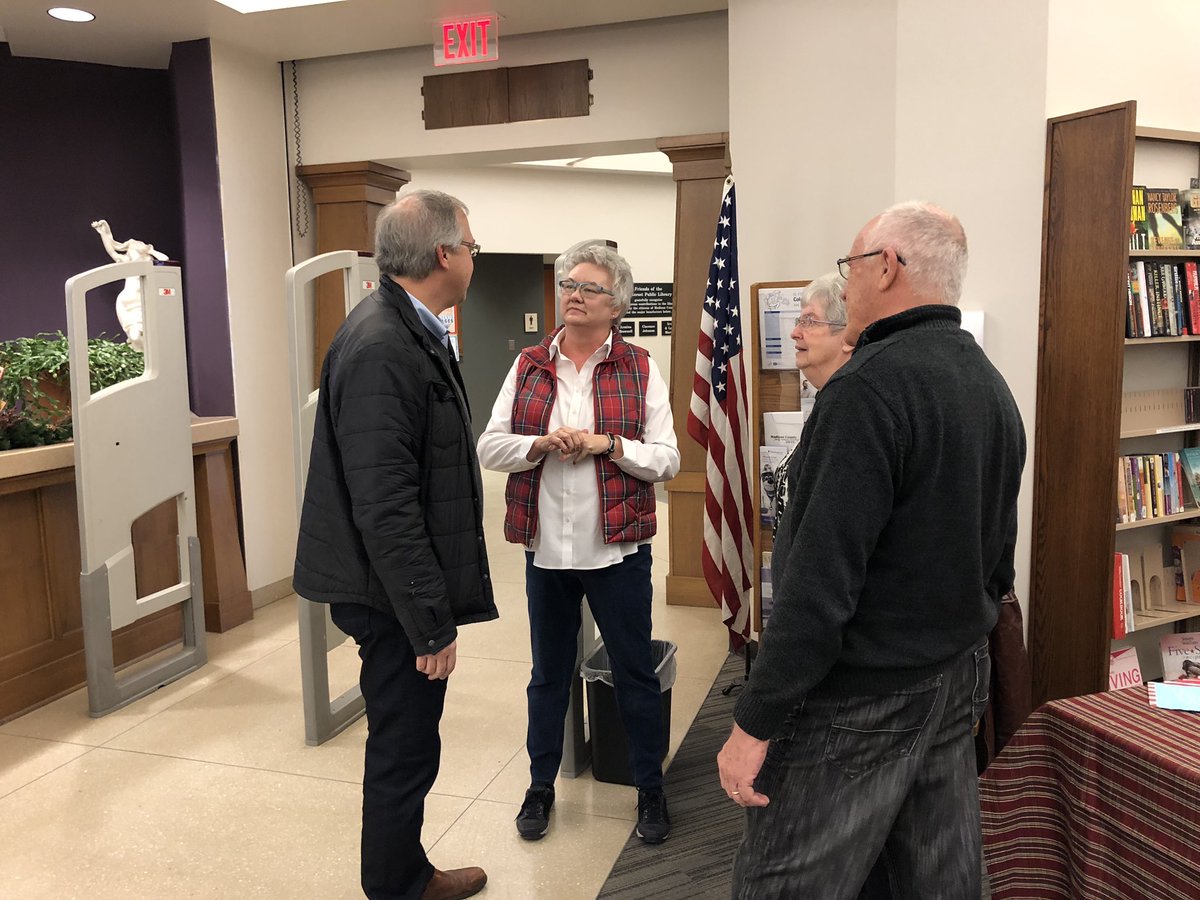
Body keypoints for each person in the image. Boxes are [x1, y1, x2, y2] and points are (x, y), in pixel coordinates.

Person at [718, 202, 1026, 899]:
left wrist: (754, 722)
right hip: (953, 678)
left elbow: (817, 589)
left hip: (861, 700)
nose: (846, 283)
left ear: (886, 267)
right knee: (933, 879)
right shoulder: (987, 382)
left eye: (850, 267)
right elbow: (997, 557)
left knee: (785, 884)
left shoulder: (865, 391)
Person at [294, 188, 496, 900]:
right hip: (388, 595)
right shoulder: (383, 345)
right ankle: (396, 888)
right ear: (444, 254)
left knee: (409, 744)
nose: (474, 255)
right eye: (471, 245)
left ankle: (406, 873)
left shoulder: (409, 327)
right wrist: (429, 622)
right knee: (403, 751)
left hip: (390, 587)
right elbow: (385, 508)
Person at [477, 243, 680, 845]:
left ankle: (650, 789)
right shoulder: (530, 365)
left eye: (588, 287)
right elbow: (490, 446)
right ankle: (541, 786)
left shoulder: (641, 367)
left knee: (634, 673)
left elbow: (667, 460)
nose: (573, 293)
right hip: (547, 552)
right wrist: (538, 444)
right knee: (547, 674)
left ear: (615, 302)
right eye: (568, 283)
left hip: (615, 551)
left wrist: (607, 445)